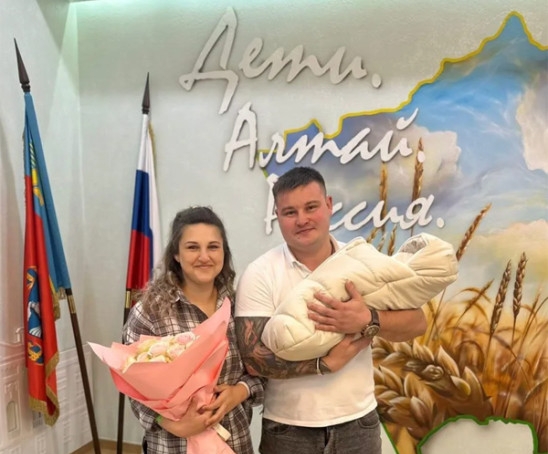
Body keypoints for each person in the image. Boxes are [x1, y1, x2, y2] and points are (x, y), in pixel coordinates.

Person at [235, 166, 427, 454]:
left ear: (329, 204)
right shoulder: (259, 273)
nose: (302, 219)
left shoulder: (363, 259)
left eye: (311, 207)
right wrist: (323, 364)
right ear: (277, 216)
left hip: (358, 425)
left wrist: (368, 319)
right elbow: (252, 360)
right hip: (288, 430)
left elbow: (417, 323)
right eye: (290, 212)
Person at [124, 206, 264, 454]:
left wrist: (239, 392)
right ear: (176, 254)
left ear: (224, 252)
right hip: (173, 445)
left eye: (213, 247)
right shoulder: (150, 310)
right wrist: (171, 423)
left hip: (233, 441)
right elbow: (133, 387)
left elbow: (262, 368)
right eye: (192, 247)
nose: (204, 256)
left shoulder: (241, 306)